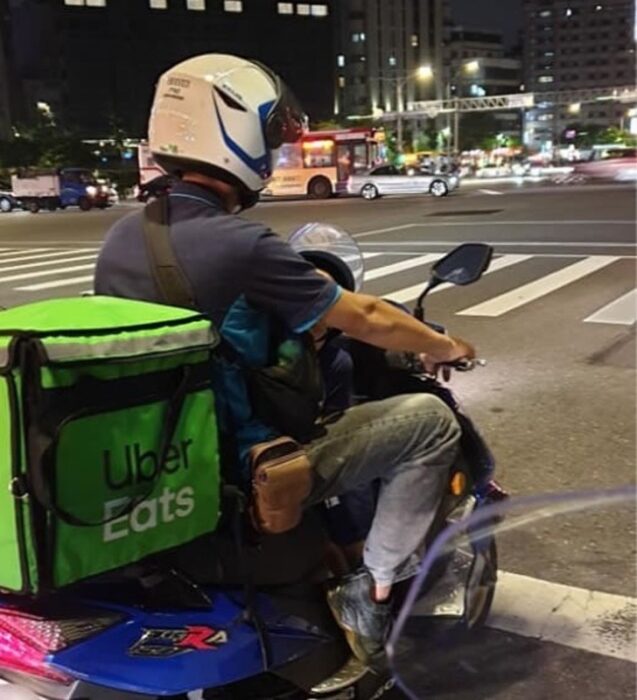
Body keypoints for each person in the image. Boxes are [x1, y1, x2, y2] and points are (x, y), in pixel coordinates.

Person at [94, 54, 475, 670]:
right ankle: (373, 591)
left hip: (170, 455)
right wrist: (444, 345)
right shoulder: (241, 243)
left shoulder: (122, 238)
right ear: (230, 136)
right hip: (248, 465)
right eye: (267, 138)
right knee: (430, 423)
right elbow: (366, 317)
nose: (271, 157)